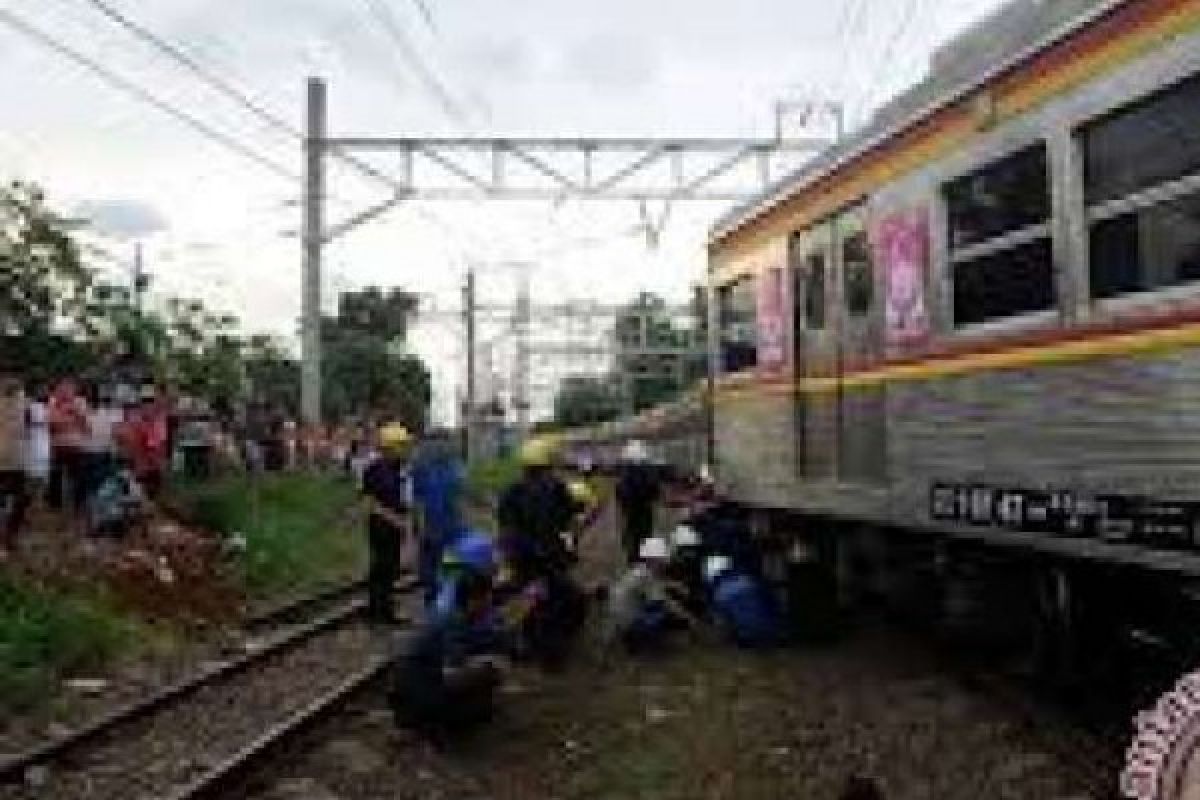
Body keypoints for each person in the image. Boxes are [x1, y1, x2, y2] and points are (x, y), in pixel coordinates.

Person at [390, 530, 510, 741]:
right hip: (421, 693)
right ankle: (437, 725)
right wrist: (485, 664)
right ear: (474, 601)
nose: (490, 603)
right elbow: (452, 676)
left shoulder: (453, 611)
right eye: (487, 599)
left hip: (409, 689)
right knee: (484, 688)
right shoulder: (453, 623)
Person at [496, 436, 587, 669]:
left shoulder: (510, 491)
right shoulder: (556, 487)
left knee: (531, 598)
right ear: (547, 462)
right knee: (554, 601)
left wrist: (510, 555)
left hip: (521, 556)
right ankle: (551, 655)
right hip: (548, 556)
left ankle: (528, 642)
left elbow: (505, 527)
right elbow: (571, 515)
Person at [599, 536, 703, 659]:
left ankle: (635, 638)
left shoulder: (637, 571)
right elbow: (665, 602)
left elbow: (654, 584)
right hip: (628, 621)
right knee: (661, 614)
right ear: (654, 560)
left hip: (616, 619)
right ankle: (641, 643)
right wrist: (688, 618)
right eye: (662, 560)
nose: (664, 564)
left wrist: (673, 585)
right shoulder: (645, 575)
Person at [361, 423, 414, 624]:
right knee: (381, 568)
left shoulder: (399, 469)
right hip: (381, 527)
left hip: (395, 526)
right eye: (401, 445)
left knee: (391, 569)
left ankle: (385, 609)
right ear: (389, 447)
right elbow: (370, 503)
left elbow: (404, 498)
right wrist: (395, 520)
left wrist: (405, 520)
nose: (405, 450)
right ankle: (378, 612)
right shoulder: (375, 470)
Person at [411, 432, 466, 607]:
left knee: (435, 561)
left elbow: (415, 497)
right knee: (443, 560)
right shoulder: (452, 465)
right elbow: (461, 491)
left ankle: (437, 595)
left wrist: (416, 522)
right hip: (444, 523)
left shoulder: (422, 465)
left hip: (440, 522)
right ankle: (441, 595)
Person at [704, 554, 783, 648]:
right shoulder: (753, 580)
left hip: (747, 638)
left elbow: (720, 623)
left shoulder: (720, 591)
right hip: (775, 634)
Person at [615, 439, 661, 564]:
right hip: (643, 507)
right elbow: (654, 489)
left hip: (630, 508)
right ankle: (642, 556)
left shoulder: (624, 472)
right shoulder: (646, 470)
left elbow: (619, 491)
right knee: (644, 532)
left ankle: (633, 556)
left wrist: (623, 504)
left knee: (632, 531)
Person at [46, 378, 89, 513]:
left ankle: (78, 505)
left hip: (75, 445)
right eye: (62, 388)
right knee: (56, 476)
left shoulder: (80, 402)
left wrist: (70, 415)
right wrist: (70, 417)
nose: (65, 391)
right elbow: (52, 423)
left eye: (69, 388)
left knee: (77, 477)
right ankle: (55, 506)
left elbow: (84, 424)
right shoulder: (53, 402)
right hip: (57, 445)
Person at [0, 375, 30, 559]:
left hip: (15, 461)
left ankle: (9, 537)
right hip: (10, 461)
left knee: (18, 500)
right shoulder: (20, 405)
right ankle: (8, 538)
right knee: (16, 500)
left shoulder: (21, 404)